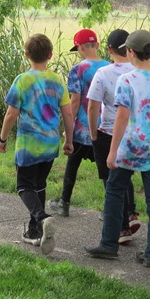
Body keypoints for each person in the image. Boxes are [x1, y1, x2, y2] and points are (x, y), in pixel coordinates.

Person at [85, 30, 150, 268]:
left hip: (130, 146)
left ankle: (109, 244)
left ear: (131, 52)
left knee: (114, 189)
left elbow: (122, 116)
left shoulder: (127, 80)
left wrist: (112, 152)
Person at [0, 33, 74, 256]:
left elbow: (11, 113)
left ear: (26, 54)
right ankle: (35, 232)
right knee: (39, 184)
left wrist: (2, 139)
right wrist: (68, 140)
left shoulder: (23, 80)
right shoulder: (58, 80)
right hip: (50, 143)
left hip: (29, 144)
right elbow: (68, 114)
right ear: (50, 55)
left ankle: (41, 219)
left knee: (23, 186)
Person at [86, 29, 139, 245]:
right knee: (125, 176)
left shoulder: (104, 74)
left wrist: (93, 133)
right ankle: (131, 212)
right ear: (129, 49)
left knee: (111, 182)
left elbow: (92, 106)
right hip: (134, 132)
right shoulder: (140, 70)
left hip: (108, 131)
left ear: (109, 49)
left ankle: (121, 228)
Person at [48, 29, 109, 217]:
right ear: (97, 45)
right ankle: (110, 208)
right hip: (103, 127)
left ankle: (64, 202)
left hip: (82, 129)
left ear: (80, 48)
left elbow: (75, 101)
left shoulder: (78, 69)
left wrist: (69, 127)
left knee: (72, 164)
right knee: (106, 170)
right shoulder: (109, 67)